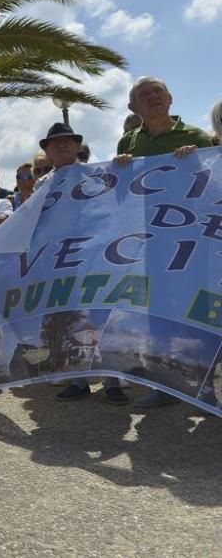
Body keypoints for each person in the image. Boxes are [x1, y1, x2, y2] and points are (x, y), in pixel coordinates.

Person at [114, 77, 214, 408]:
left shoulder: (197, 137)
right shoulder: (128, 142)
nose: (153, 97)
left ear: (170, 98)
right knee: (158, 314)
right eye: (145, 95)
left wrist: (196, 160)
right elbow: (119, 195)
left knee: (196, 309)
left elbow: (212, 186)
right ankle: (166, 385)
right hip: (149, 242)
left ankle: (204, 385)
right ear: (133, 108)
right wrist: (120, 170)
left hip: (191, 242)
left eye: (158, 92)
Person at [35, 123, 128, 405]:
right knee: (69, 319)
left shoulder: (101, 173)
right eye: (55, 143)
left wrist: (125, 166)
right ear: (47, 151)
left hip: (99, 257)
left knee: (103, 319)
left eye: (67, 141)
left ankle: (112, 381)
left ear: (77, 146)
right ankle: (78, 379)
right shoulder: (43, 185)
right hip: (62, 262)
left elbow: (120, 205)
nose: (62, 145)